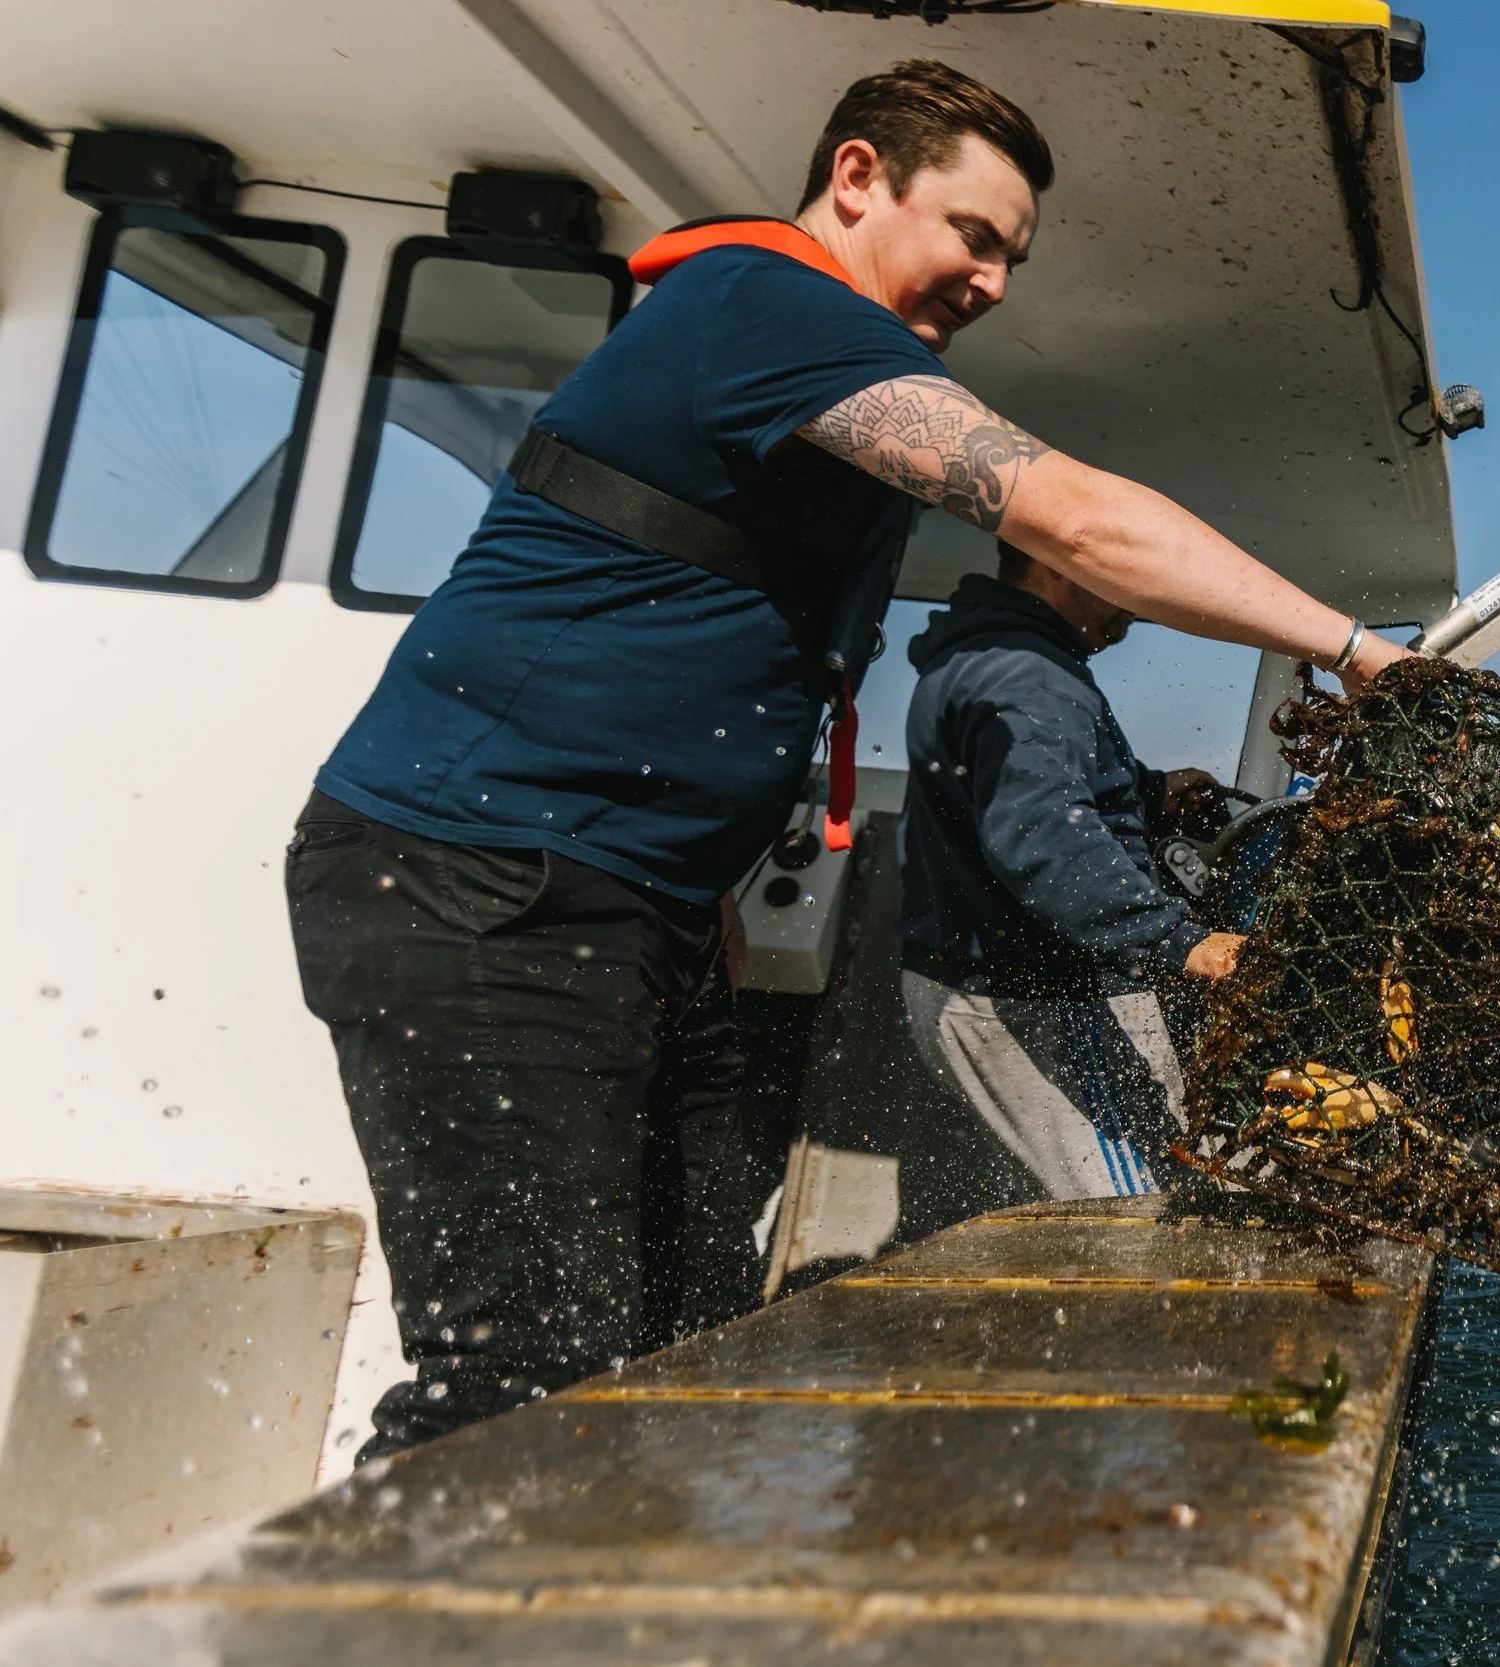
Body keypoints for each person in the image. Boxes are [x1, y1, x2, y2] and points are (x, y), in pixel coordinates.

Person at [285, 59, 1407, 1462]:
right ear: (860, 177)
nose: (995, 282)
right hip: (471, 880)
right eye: (976, 235)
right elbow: (1079, 519)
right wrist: (1360, 650)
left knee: (684, 1318)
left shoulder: (828, 364)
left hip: (628, 911)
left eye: (1013, 257)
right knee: (519, 1380)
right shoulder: (771, 306)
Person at [898, 540, 1240, 1199]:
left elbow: (1030, 785)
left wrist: (1150, 791)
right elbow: (1042, 834)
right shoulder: (1026, 676)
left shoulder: (1001, 653)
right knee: (1142, 1209)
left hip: (1009, 981)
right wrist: (1184, 941)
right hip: (1038, 994)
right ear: (1056, 561)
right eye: (1121, 578)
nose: (1134, 607)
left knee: (1163, 1190)